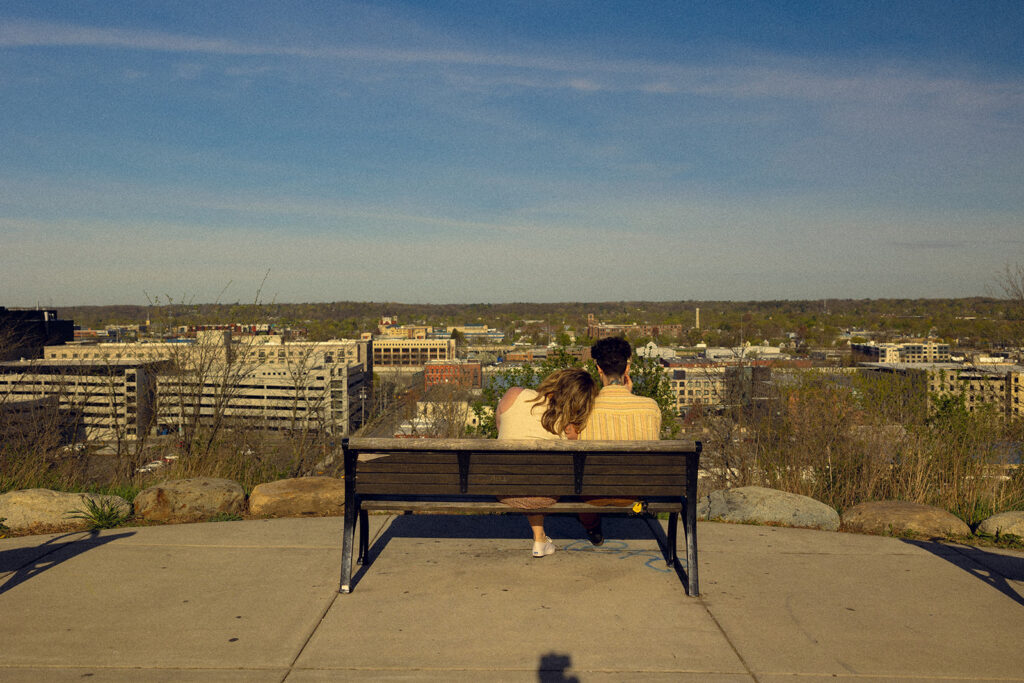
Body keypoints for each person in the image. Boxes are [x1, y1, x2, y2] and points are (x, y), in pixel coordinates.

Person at [495, 367, 598, 557]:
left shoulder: (515, 395)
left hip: (504, 489)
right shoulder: (570, 426)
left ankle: (540, 538)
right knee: (538, 477)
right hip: (545, 495)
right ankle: (539, 538)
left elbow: (500, 428)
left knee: (526, 472)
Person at [577, 336, 661, 545]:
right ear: (627, 369)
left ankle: (593, 528)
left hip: (592, 495)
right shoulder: (650, 407)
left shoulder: (583, 409)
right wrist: (627, 394)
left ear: (598, 369)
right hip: (635, 494)